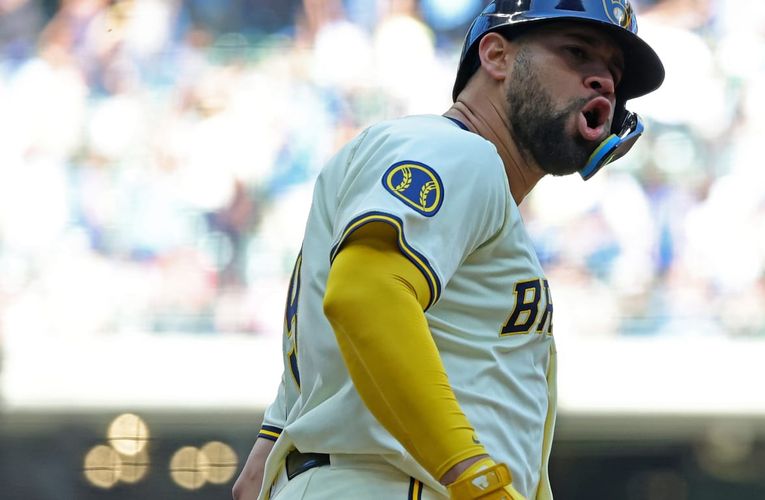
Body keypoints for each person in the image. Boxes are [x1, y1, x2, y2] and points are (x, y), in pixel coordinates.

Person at [232, 1, 664, 499]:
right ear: (496, 55)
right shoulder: (454, 149)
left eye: (614, 73)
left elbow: (315, 380)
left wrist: (274, 441)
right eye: (576, 52)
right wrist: (473, 477)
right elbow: (366, 295)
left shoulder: (457, 172)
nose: (603, 81)